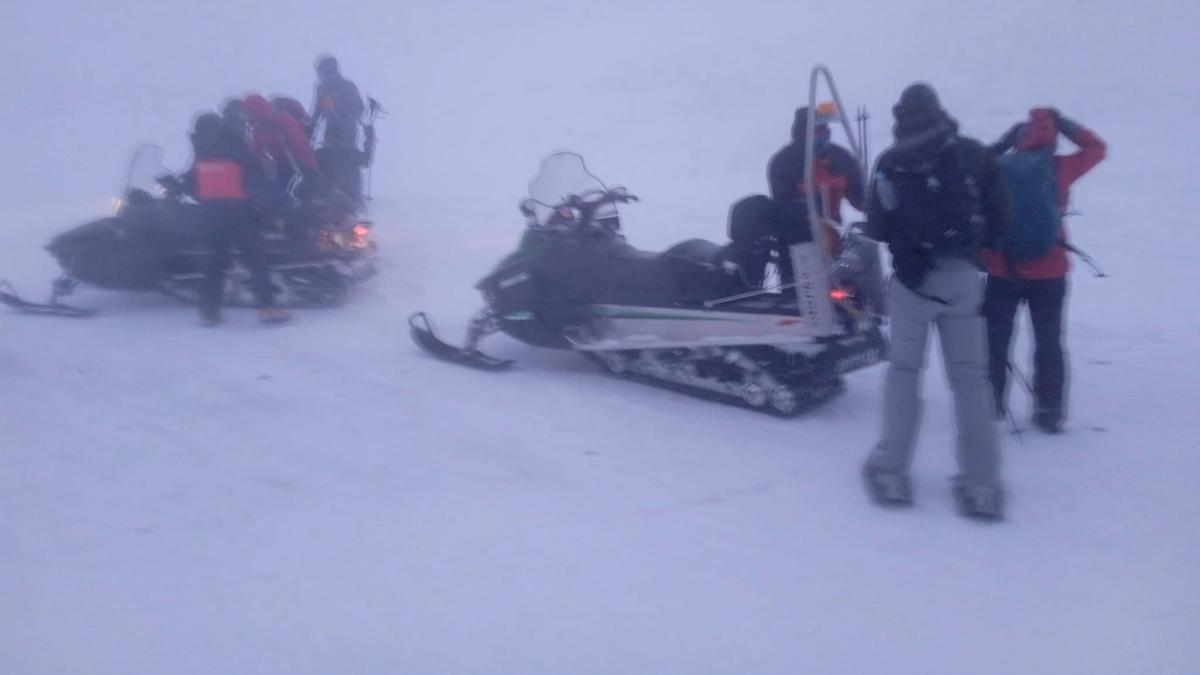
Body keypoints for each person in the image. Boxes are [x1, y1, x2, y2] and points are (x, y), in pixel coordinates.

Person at [859, 83, 1009, 520]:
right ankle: (981, 484)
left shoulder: (891, 161)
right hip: (963, 278)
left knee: (905, 372)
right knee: (971, 381)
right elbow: (1001, 220)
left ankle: (892, 471)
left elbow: (878, 228)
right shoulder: (973, 154)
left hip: (911, 283)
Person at [984, 108, 1106, 433]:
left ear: (1020, 138)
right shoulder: (1060, 168)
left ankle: (990, 404)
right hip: (1050, 272)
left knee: (996, 339)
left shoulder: (998, 168)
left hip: (1001, 268)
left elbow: (972, 164)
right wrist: (1068, 125)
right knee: (1049, 342)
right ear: (1052, 139)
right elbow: (1097, 149)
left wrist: (1003, 142)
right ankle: (1049, 412)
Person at [178, 113, 290, 325]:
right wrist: (271, 209)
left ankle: (210, 312)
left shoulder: (201, 152)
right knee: (256, 261)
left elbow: (192, 185)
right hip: (241, 214)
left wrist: (206, 200)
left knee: (215, 263)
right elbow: (257, 182)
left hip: (211, 216)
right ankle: (267, 308)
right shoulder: (237, 148)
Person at [767, 103, 865, 257]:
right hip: (797, 246)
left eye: (823, 130)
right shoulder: (784, 163)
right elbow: (782, 206)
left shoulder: (840, 158)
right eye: (815, 132)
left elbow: (860, 197)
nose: (821, 136)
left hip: (835, 241)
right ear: (802, 135)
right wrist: (813, 204)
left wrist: (870, 199)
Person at [241, 93, 320, 192]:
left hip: (296, 162)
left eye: (250, 115)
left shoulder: (283, 119)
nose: (250, 122)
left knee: (300, 190)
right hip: (282, 162)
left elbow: (300, 144)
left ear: (257, 112)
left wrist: (312, 169)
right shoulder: (258, 128)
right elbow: (255, 151)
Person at [311, 55, 365, 150]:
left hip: (347, 133)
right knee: (329, 158)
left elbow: (359, 108)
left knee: (344, 159)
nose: (321, 78)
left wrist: (346, 119)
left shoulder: (347, 87)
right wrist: (309, 127)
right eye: (320, 75)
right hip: (330, 131)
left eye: (323, 74)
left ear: (332, 72)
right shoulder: (323, 90)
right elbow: (317, 112)